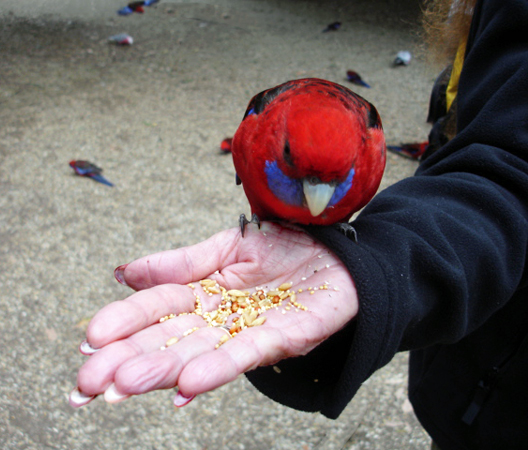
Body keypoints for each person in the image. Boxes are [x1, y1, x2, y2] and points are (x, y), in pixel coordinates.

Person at [70, 0, 528, 448]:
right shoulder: (257, 125)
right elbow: (504, 164)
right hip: (467, 391)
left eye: (335, 179)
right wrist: (378, 267)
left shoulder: (369, 138)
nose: (317, 200)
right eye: (299, 169)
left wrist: (362, 256)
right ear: (265, 141)